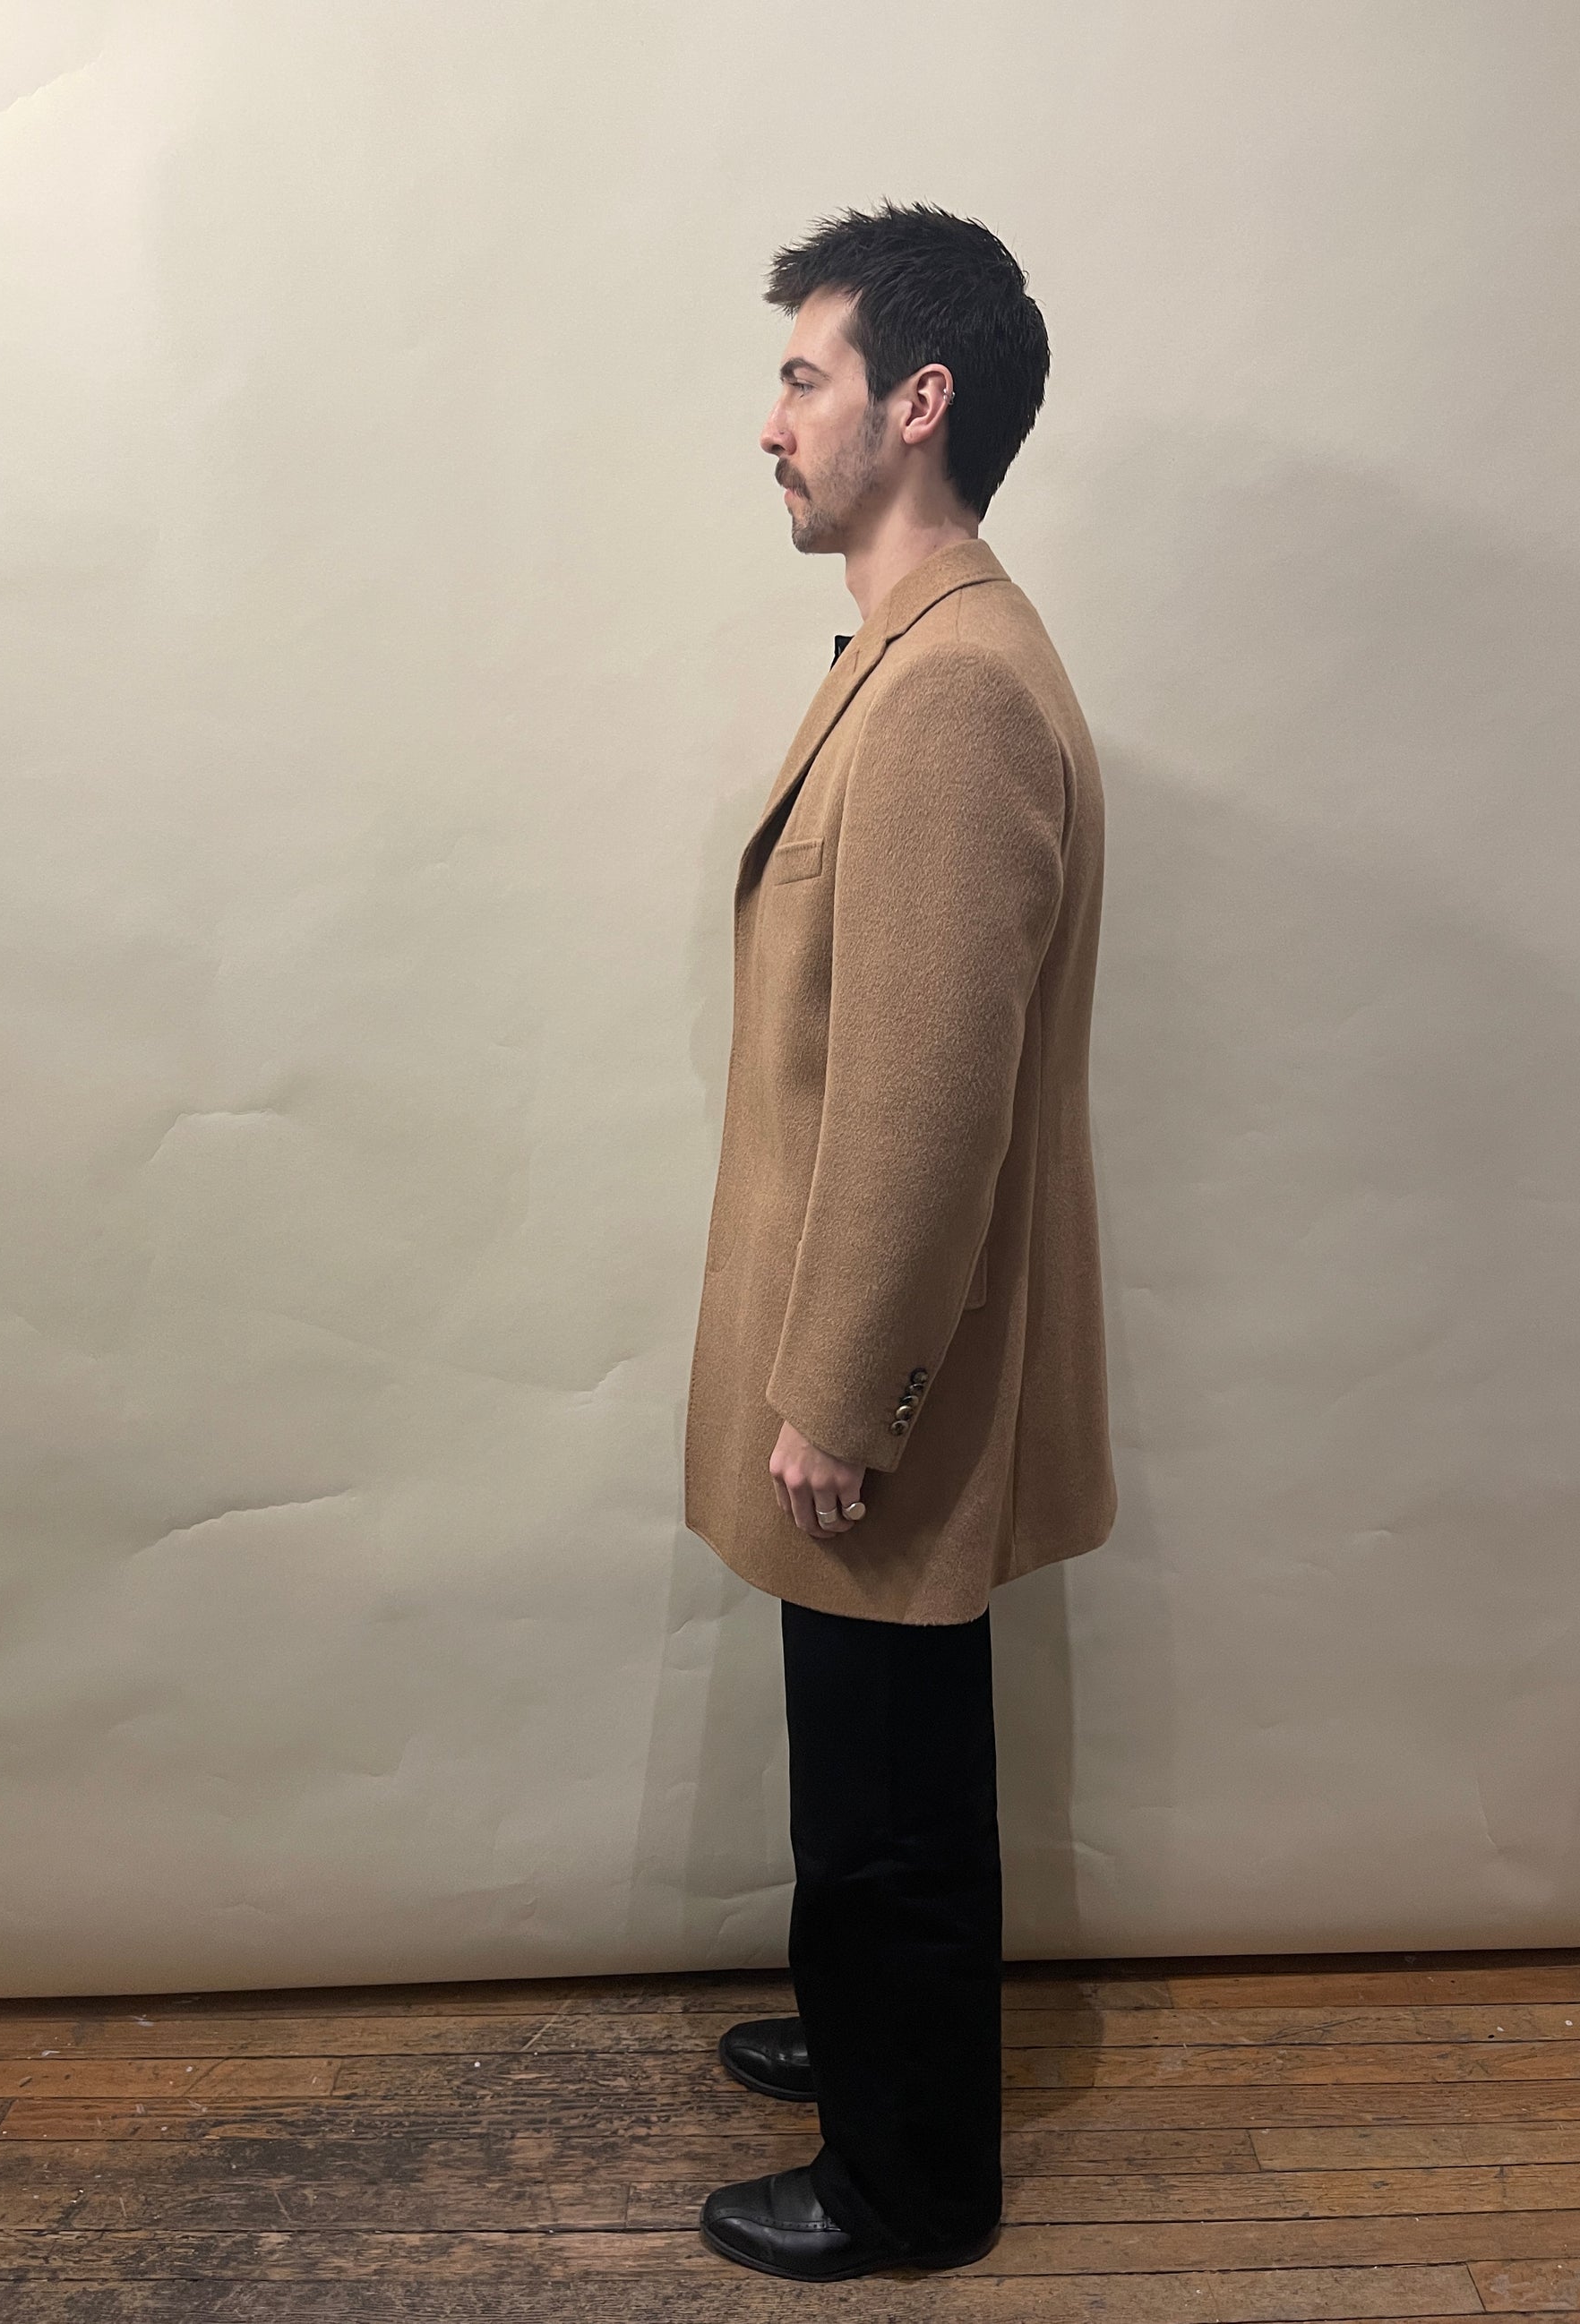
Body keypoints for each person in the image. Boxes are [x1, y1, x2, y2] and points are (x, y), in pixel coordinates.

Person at [683, 199, 1118, 2284]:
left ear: (913, 403)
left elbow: (928, 1096)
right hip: (860, 1349)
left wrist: (843, 1391)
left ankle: (910, 2177)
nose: (771, 422)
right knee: (863, 1743)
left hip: (877, 1369)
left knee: (888, 1775)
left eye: (804, 377)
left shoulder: (949, 692)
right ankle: (865, 2030)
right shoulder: (908, 654)